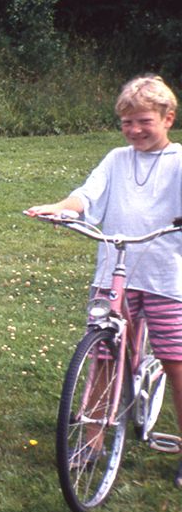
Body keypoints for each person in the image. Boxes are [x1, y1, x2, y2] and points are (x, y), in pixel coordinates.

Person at [26, 74, 182, 488]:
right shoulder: (116, 159)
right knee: (105, 356)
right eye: (127, 123)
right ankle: (92, 439)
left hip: (166, 278)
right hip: (114, 274)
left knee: (175, 359)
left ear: (168, 118)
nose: (134, 131)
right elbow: (87, 196)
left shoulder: (179, 161)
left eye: (144, 121)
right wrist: (63, 208)